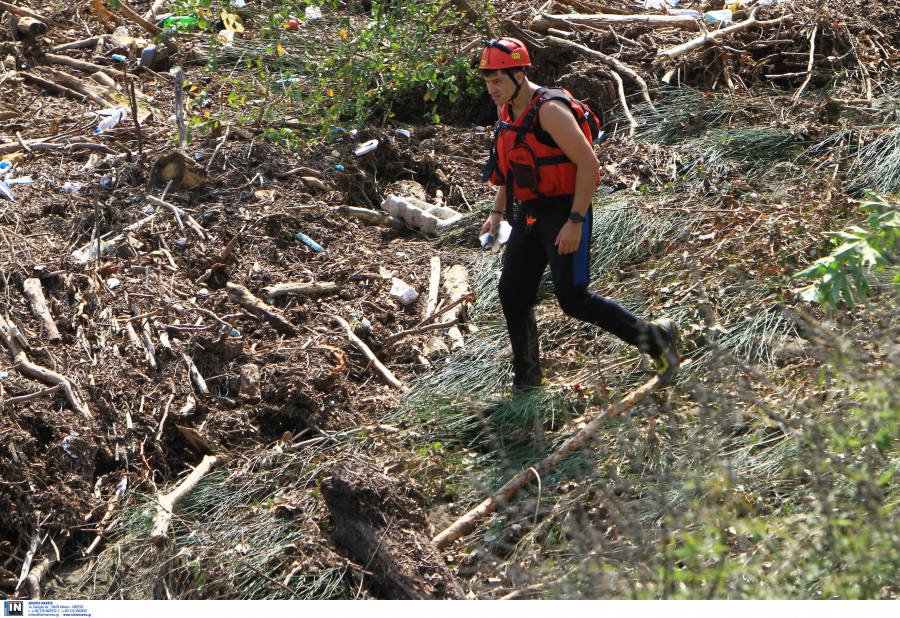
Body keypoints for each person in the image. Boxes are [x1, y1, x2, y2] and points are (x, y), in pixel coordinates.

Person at [477, 37, 680, 390]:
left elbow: (589, 165)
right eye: (487, 81)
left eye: (497, 80)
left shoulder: (550, 110)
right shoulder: (506, 108)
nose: (491, 88)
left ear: (520, 74)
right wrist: (497, 211)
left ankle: (656, 340)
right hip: (530, 213)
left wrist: (574, 221)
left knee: (573, 299)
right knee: (512, 291)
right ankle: (527, 377)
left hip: (566, 209)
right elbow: (511, 166)